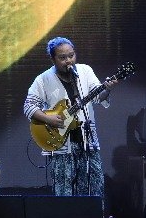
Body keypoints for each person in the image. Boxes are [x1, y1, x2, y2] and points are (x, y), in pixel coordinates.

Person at [24, 37, 113, 201]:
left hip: (87, 140)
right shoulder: (43, 79)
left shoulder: (85, 71)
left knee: (95, 186)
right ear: (53, 59)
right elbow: (29, 107)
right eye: (62, 58)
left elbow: (98, 97)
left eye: (71, 56)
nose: (68, 61)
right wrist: (48, 119)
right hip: (61, 142)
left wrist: (107, 89)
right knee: (64, 189)